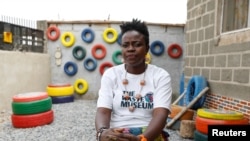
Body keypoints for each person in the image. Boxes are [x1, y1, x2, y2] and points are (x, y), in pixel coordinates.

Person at [95, 19, 172, 141]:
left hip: (149, 133)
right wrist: (102, 133)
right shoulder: (111, 75)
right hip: (118, 133)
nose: (130, 49)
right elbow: (103, 111)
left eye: (137, 44)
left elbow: (161, 114)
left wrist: (141, 139)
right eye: (126, 45)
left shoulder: (160, 76)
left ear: (147, 48)